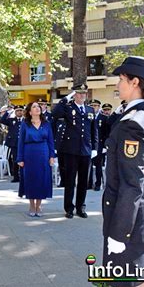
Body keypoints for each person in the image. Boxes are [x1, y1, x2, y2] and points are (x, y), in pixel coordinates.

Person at [102, 56, 144, 287]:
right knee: (138, 283)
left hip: (130, 223)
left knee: (127, 286)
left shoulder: (133, 124)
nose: (118, 84)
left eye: (121, 79)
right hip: (142, 218)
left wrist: (119, 234)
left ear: (135, 82)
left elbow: (131, 185)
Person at [52, 83, 98, 219]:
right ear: (75, 95)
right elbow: (55, 113)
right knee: (70, 181)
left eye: (84, 93)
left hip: (85, 150)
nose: (82, 96)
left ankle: (80, 207)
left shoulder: (90, 109)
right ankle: (69, 208)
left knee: (84, 181)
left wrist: (95, 148)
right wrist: (66, 98)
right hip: (70, 150)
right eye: (79, 93)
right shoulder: (67, 108)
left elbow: (93, 130)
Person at [17, 102, 55, 217]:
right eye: (34, 107)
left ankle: (39, 205)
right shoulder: (25, 124)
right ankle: (31, 205)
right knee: (30, 179)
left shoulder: (46, 124)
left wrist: (52, 156)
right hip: (29, 154)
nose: (37, 108)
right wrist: (20, 158)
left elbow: (51, 141)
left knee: (42, 179)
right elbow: (20, 142)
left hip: (43, 153)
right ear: (29, 112)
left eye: (38, 106)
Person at [88, 99, 108, 191]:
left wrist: (104, 146)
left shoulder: (103, 118)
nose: (93, 107)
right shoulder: (87, 116)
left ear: (99, 107)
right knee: (88, 166)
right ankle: (88, 184)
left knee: (98, 166)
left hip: (99, 145)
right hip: (88, 145)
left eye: (95, 106)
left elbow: (106, 133)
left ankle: (98, 184)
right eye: (92, 106)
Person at [0, 105, 24, 183]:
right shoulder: (11, 120)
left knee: (25, 160)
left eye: (20, 110)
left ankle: (24, 176)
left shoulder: (26, 120)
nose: (19, 112)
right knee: (15, 160)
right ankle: (16, 176)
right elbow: (2, 120)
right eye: (17, 111)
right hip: (14, 143)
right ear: (15, 112)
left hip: (24, 143)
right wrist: (8, 112)